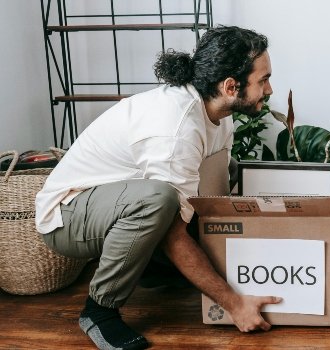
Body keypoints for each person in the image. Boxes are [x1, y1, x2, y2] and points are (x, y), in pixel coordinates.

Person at [35, 26, 281, 350]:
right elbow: (174, 233)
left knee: (224, 172)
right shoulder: (177, 130)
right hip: (67, 216)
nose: (270, 88)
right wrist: (234, 304)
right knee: (160, 200)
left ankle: (152, 269)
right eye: (263, 80)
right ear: (231, 86)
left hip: (116, 200)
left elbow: (210, 196)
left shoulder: (220, 116)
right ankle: (99, 311)